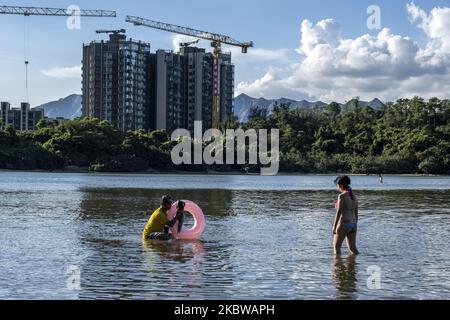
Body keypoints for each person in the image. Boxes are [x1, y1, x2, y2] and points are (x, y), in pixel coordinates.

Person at [333, 176, 359, 256]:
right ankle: (355, 265)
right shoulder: (354, 196)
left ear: (340, 185)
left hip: (344, 223)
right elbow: (356, 213)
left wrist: (334, 226)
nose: (337, 188)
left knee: (336, 247)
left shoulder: (342, 196)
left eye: (337, 185)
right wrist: (354, 223)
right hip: (353, 223)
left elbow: (339, 211)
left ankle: (337, 267)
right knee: (353, 248)